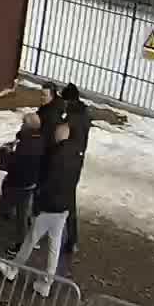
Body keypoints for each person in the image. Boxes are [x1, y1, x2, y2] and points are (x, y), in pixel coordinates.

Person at [8, 123, 79, 294]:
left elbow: (47, 182)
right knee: (54, 245)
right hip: (64, 207)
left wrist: (38, 204)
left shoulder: (55, 155)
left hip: (49, 206)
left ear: (59, 135)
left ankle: (13, 269)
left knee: (30, 240)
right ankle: (46, 283)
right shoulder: (75, 156)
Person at [0, 114, 43, 255]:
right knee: (22, 216)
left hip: (16, 185)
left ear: (27, 127)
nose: (21, 126)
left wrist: (6, 153)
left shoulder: (25, 145)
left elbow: (15, 165)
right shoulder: (39, 141)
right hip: (29, 185)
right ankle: (21, 246)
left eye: (23, 124)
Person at [58, 84, 90, 254]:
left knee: (68, 200)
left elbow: (64, 137)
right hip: (76, 161)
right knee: (68, 198)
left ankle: (71, 239)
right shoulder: (84, 114)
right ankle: (71, 239)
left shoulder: (72, 117)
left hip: (68, 163)